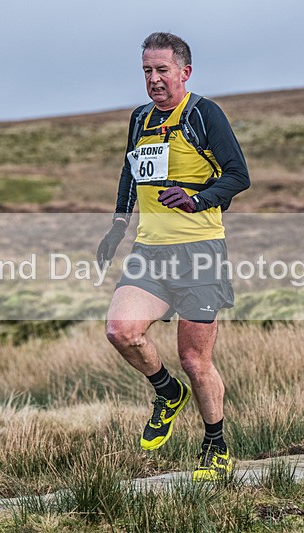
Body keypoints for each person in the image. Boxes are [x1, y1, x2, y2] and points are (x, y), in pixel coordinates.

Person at [97, 33, 250, 481]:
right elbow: (130, 173)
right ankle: (166, 392)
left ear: (185, 71)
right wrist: (118, 226)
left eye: (162, 70)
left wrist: (197, 199)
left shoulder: (203, 114)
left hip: (200, 252)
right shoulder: (140, 118)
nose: (154, 79)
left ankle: (216, 445)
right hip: (150, 250)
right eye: (147, 70)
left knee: (195, 361)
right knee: (121, 331)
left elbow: (238, 175)